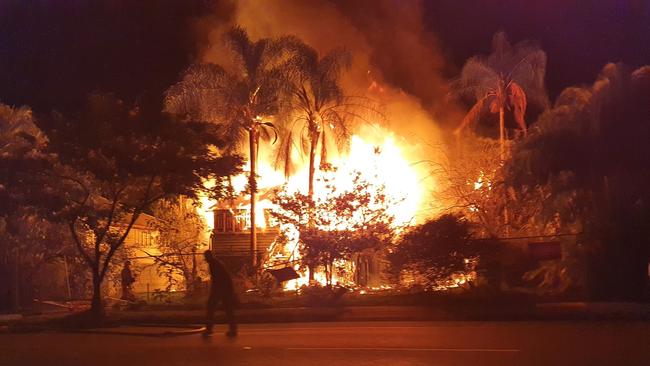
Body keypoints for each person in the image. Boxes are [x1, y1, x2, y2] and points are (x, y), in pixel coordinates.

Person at [204, 250, 238, 337]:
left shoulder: (214, 264)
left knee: (211, 307)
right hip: (225, 289)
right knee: (228, 309)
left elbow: (217, 279)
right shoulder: (215, 263)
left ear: (209, 257)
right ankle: (232, 329)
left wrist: (214, 291)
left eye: (206, 257)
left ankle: (209, 329)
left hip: (222, 289)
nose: (205, 259)